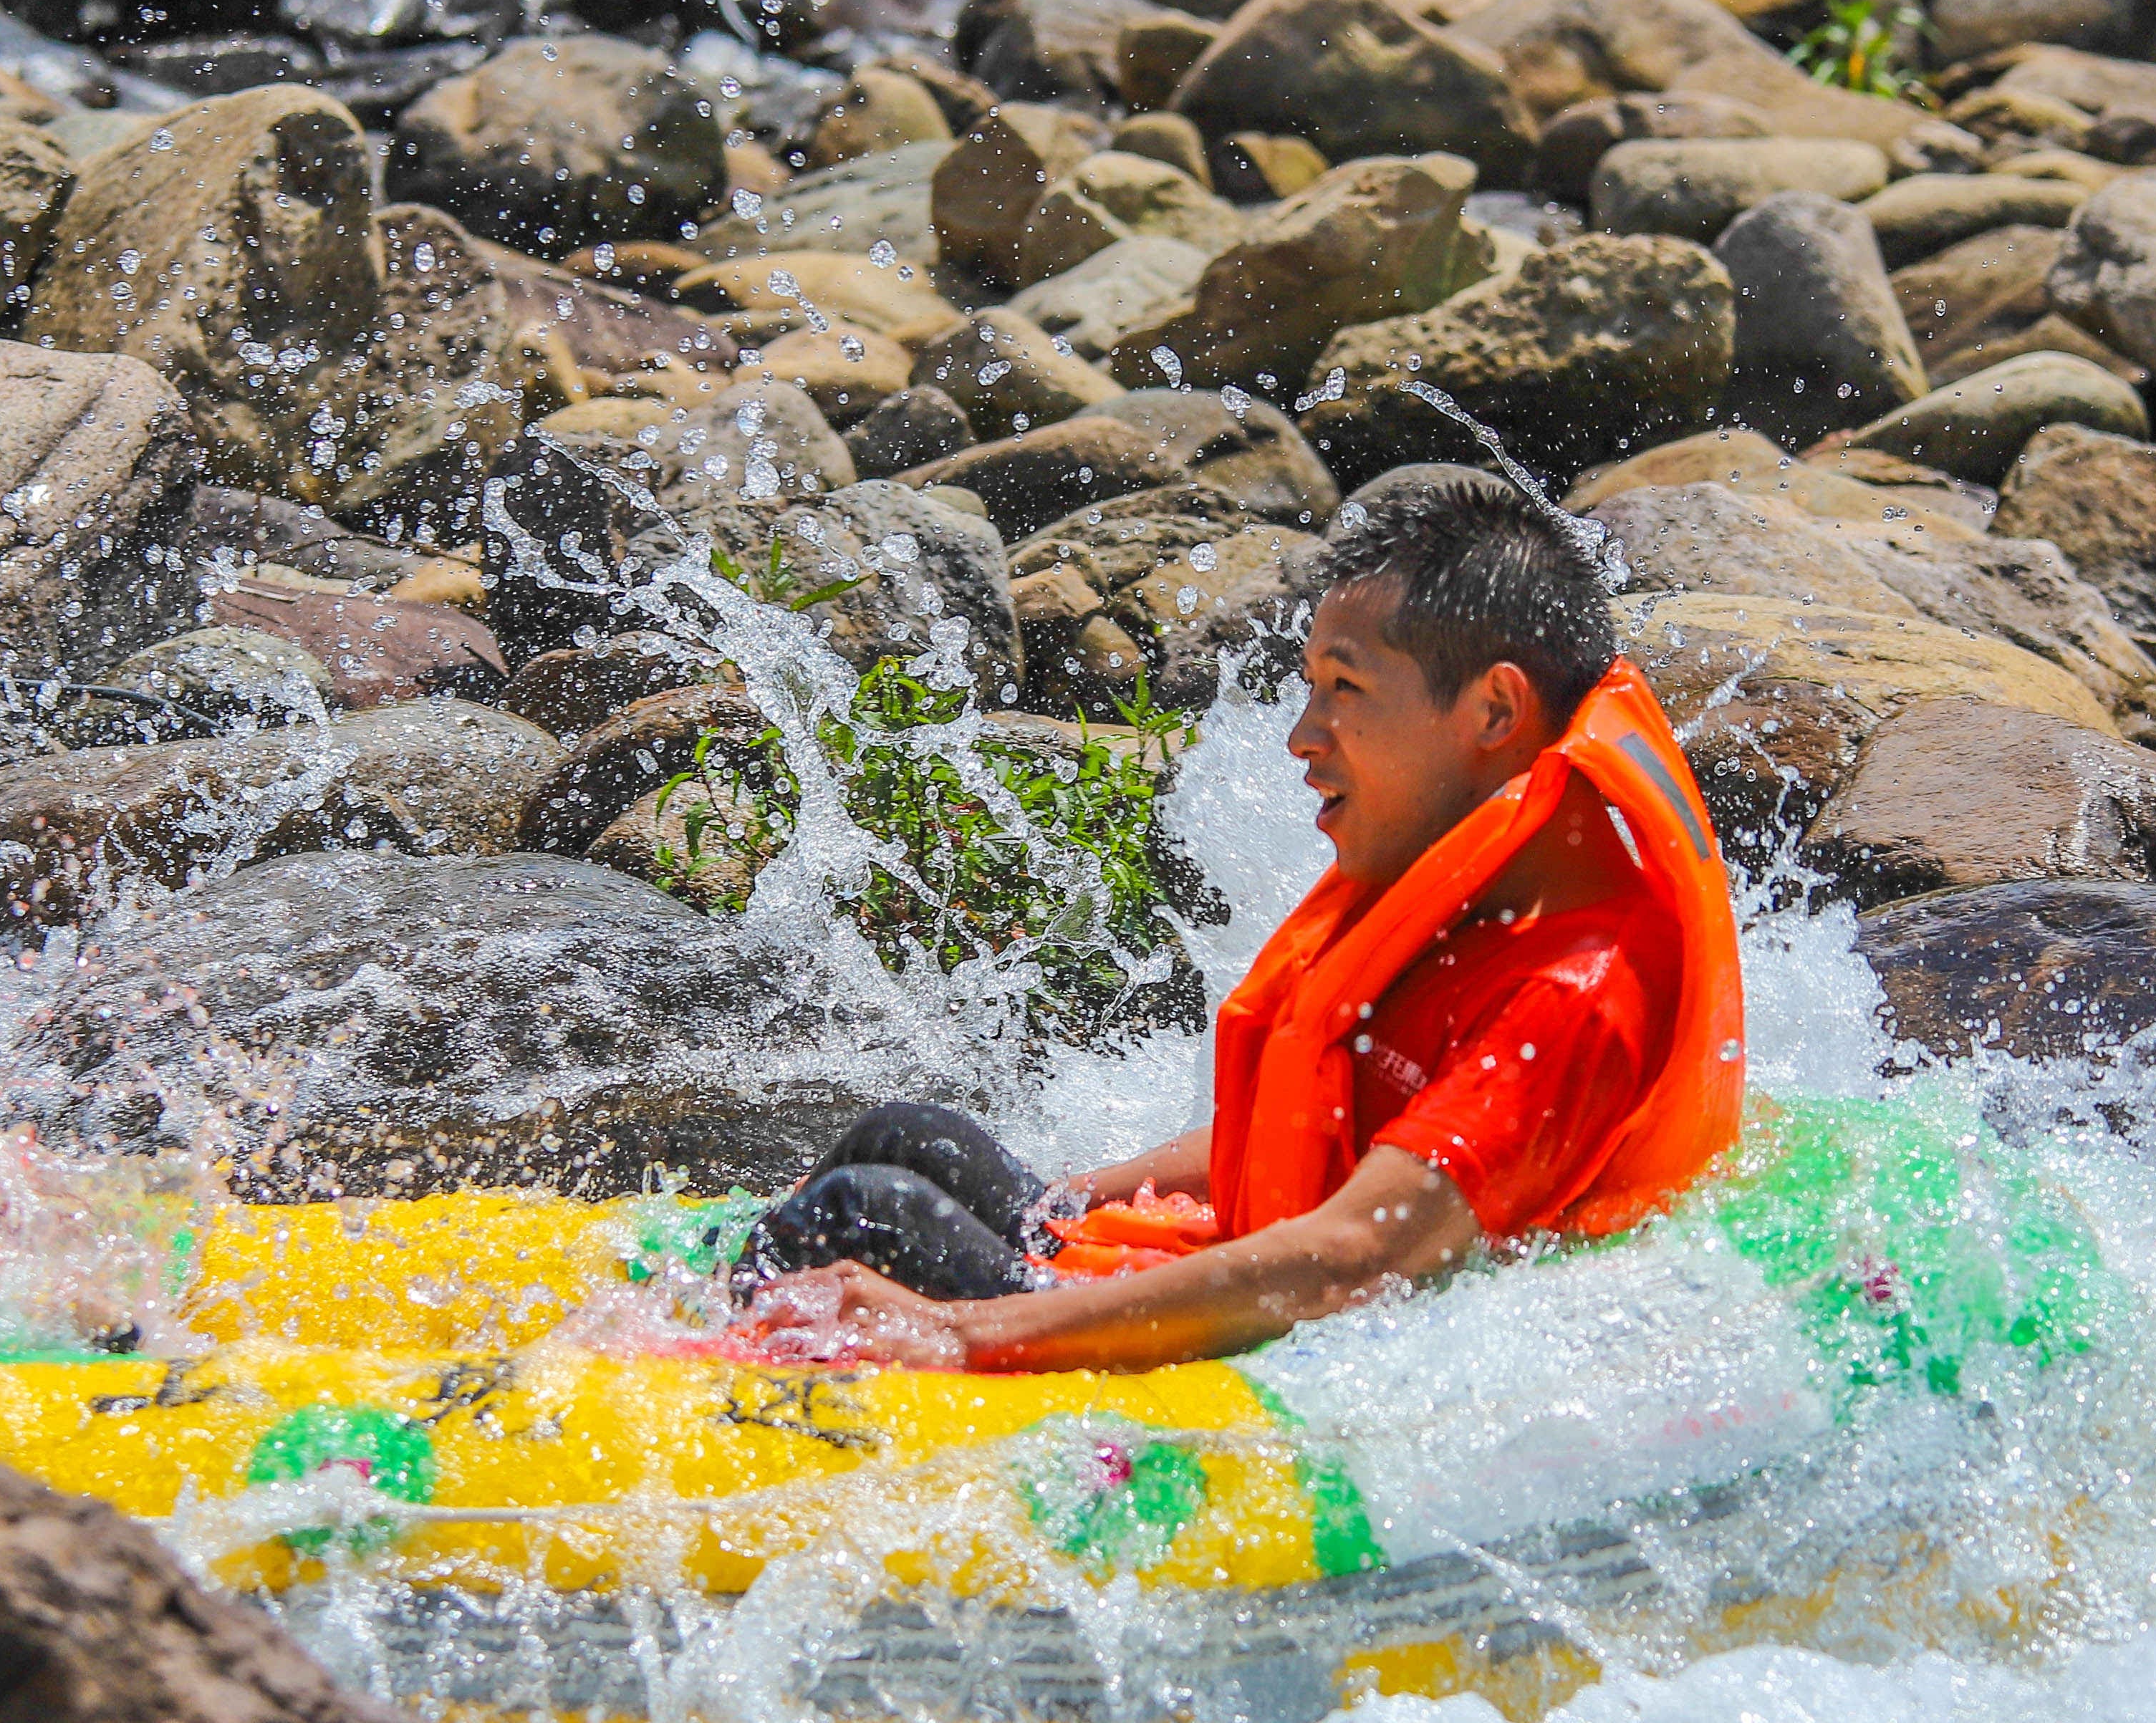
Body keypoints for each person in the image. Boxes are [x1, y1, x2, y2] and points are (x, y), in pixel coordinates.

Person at [736, 464, 1744, 1373]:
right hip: (1252, 1274)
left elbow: (1359, 1258)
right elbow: (1327, 1111)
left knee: (867, 1213)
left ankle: (696, 1377)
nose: (1303, 738)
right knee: (911, 1140)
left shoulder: (1572, 993)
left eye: (1343, 689)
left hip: (1305, 1351)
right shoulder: (1481, 884)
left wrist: (954, 1328)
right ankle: (722, 1320)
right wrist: (1075, 1201)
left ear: (1492, 711)